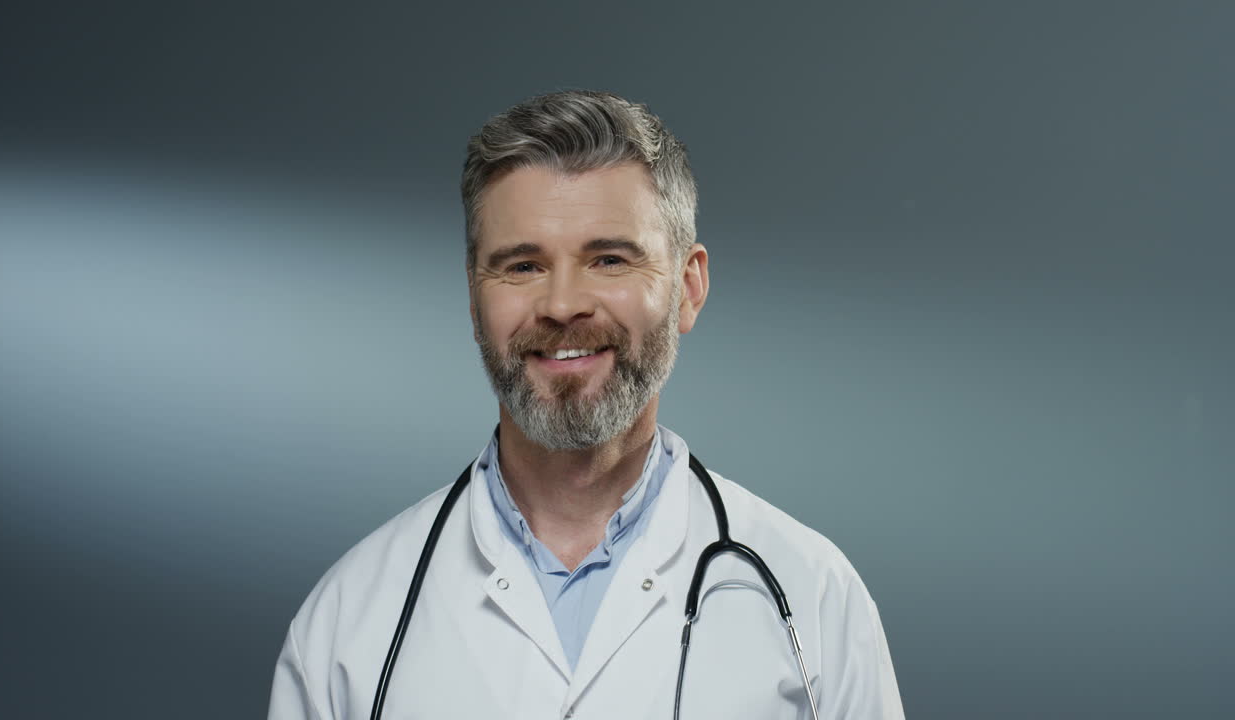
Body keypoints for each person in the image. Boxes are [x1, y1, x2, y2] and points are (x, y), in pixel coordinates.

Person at [266, 90, 904, 720]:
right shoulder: (349, 626)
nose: (563, 303)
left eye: (608, 259)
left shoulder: (813, 598)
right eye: (521, 266)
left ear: (688, 287)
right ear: (473, 297)